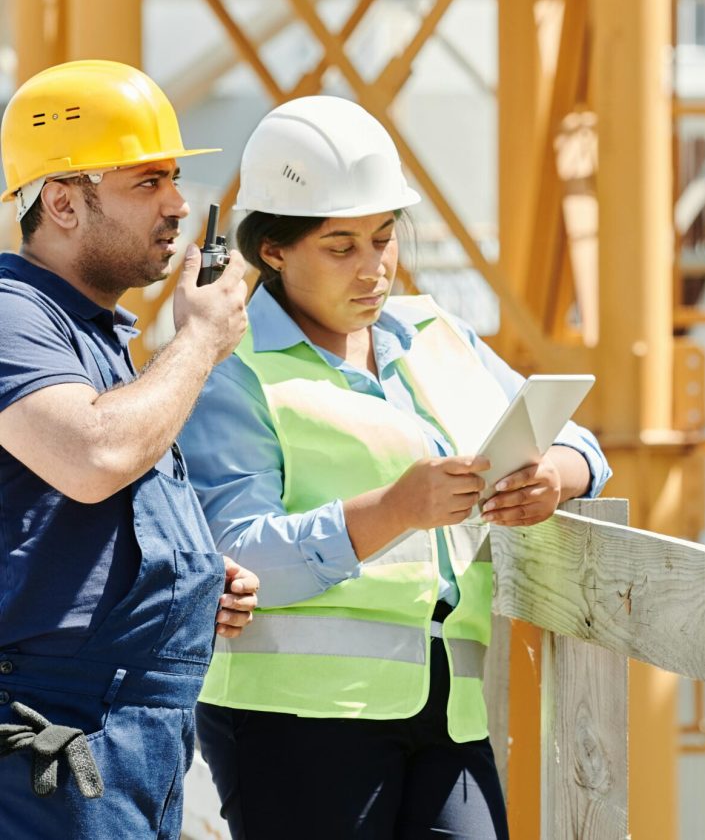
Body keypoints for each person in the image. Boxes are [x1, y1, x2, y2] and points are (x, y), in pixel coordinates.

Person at [179, 95, 612, 839]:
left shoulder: (436, 332)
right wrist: (394, 512)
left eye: (384, 239)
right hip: (295, 725)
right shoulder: (231, 372)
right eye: (341, 247)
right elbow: (234, 557)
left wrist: (557, 475)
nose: (375, 269)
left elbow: (580, 442)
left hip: (449, 709)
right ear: (273, 251)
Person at [0, 59, 261, 840]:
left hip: (125, 735)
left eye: (174, 179)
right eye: (146, 182)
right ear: (63, 202)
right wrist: (202, 339)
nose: (179, 205)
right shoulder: (13, 315)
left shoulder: (95, 338)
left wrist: (187, 580)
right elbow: (96, 456)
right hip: (58, 735)